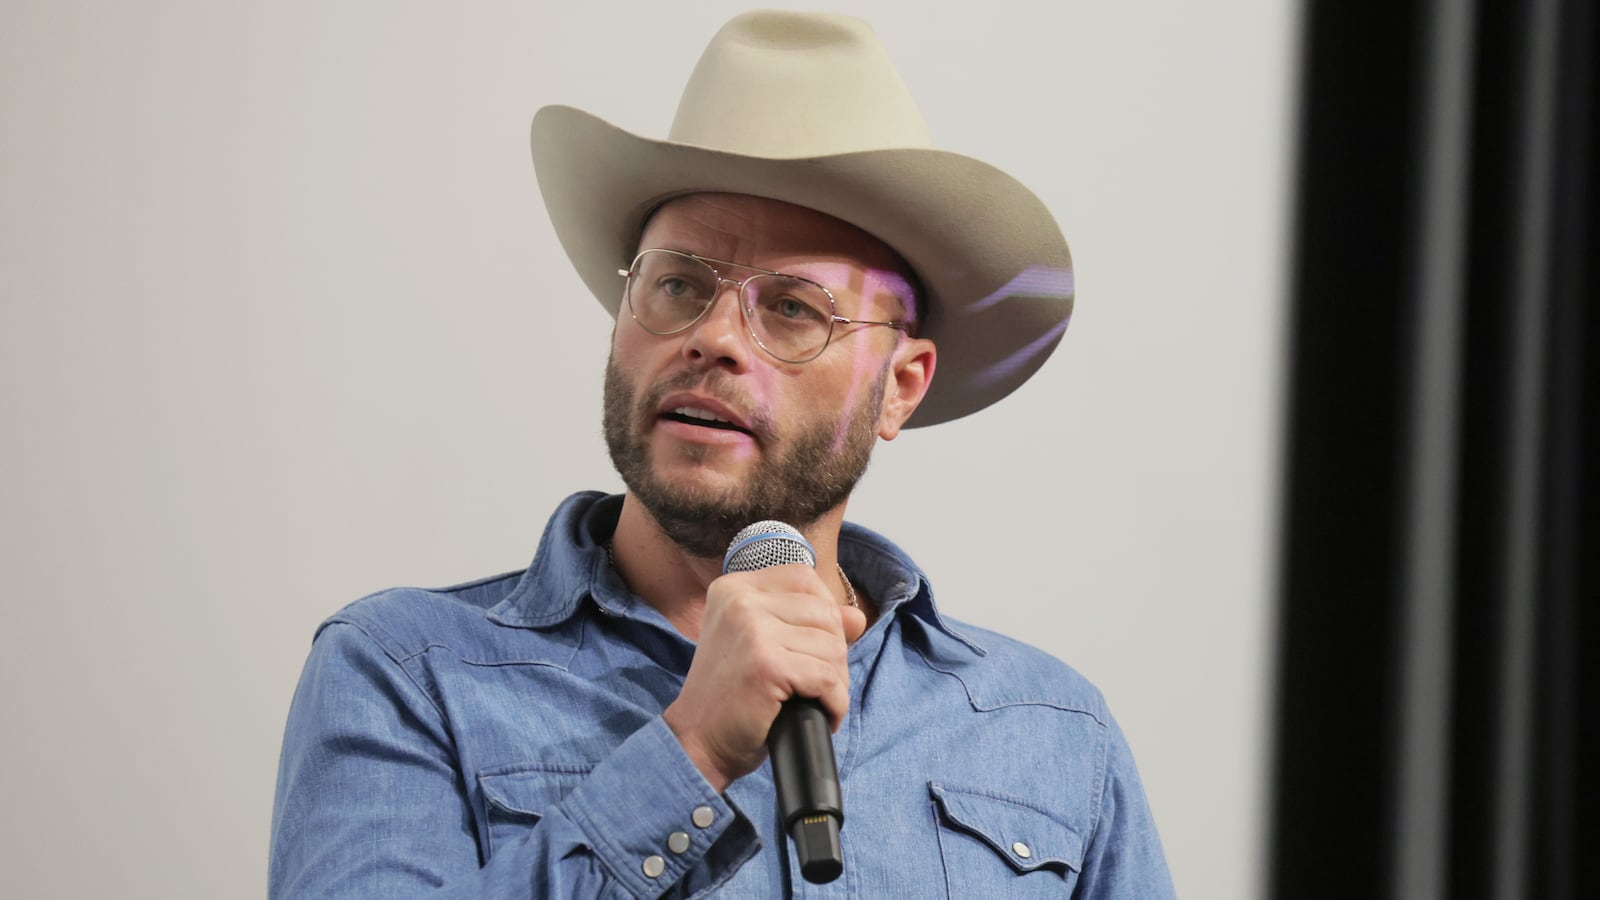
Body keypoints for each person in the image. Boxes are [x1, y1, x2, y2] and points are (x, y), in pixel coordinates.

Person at [270, 10, 1174, 898]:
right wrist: (692, 750)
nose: (714, 339)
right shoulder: (405, 672)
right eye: (678, 284)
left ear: (900, 386)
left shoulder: (1052, 732)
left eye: (790, 308)